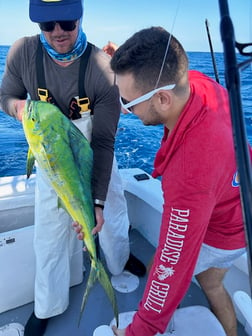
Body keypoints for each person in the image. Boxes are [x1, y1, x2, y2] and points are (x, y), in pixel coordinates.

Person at [0, 1, 146, 335]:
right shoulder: (22, 52)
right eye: (46, 24)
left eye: (66, 22)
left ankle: (118, 261)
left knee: (111, 212)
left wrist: (95, 202)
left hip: (92, 146)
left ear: (79, 18)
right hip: (50, 153)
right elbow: (6, 96)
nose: (57, 33)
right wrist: (19, 107)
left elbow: (104, 141)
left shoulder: (101, 67)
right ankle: (48, 305)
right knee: (49, 232)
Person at [100, 26, 247, 336]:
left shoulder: (189, 174)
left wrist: (136, 331)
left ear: (163, 99)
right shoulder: (195, 82)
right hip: (238, 201)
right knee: (210, 281)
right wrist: (128, 72)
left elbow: (172, 267)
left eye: (128, 102)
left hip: (225, 230)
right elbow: (161, 60)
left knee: (161, 267)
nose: (125, 109)